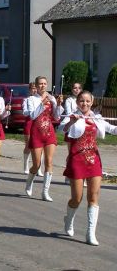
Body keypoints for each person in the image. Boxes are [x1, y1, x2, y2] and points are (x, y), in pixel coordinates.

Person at [59, 90, 117, 246]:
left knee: (93, 197)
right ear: (77, 102)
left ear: (92, 102)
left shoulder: (96, 117)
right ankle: (69, 221)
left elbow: (112, 129)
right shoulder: (72, 116)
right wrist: (71, 121)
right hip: (77, 160)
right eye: (81, 101)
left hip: (94, 160)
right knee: (76, 198)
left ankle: (90, 233)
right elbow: (62, 130)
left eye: (87, 101)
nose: (84, 103)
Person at [25, 76, 63, 201]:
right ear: (36, 85)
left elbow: (56, 117)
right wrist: (41, 104)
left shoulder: (51, 98)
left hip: (49, 132)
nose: (42, 86)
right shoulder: (31, 99)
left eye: (44, 83)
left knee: (49, 162)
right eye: (40, 84)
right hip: (36, 132)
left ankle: (45, 192)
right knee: (36, 164)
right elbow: (32, 115)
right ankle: (30, 181)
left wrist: (58, 105)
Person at [22, 82, 44, 176]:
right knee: (28, 146)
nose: (34, 90)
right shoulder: (26, 100)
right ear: (29, 90)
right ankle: (26, 165)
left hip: (39, 124)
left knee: (40, 147)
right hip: (29, 123)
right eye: (32, 89)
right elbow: (25, 113)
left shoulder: (40, 99)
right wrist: (32, 111)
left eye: (36, 88)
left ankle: (39, 168)